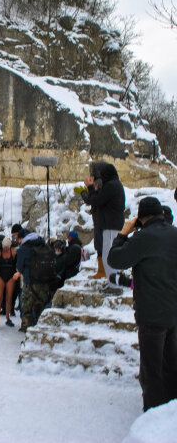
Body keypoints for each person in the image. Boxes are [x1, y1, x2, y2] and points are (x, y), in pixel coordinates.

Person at [108, 196, 177, 412]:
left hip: (151, 314)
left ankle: (153, 420)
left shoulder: (144, 237)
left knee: (152, 372)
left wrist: (122, 234)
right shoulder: (174, 234)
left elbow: (115, 260)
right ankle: (170, 416)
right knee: (171, 368)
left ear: (142, 218)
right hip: (173, 312)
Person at [84, 163, 125, 294]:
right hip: (112, 224)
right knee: (111, 255)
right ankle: (112, 283)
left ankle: (115, 286)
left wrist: (90, 188)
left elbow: (97, 200)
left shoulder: (111, 185)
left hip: (111, 225)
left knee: (110, 256)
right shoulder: (115, 185)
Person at [13, 229, 52, 332]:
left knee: (27, 306)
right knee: (41, 306)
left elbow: (19, 266)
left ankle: (26, 327)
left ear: (22, 238)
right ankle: (41, 327)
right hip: (45, 281)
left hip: (30, 282)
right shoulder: (44, 245)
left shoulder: (24, 248)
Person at [77, 161, 109, 279]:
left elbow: (92, 199)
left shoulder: (99, 183)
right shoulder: (105, 182)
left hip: (99, 218)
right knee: (101, 245)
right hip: (101, 218)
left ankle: (103, 271)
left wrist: (85, 192)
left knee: (100, 245)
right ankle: (103, 270)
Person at [0, 237, 17, 330]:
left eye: (7, 247)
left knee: (9, 298)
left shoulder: (13, 251)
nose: (6, 249)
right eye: (4, 247)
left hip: (10, 276)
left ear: (10, 246)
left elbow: (20, 260)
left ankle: (7, 318)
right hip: (0, 275)